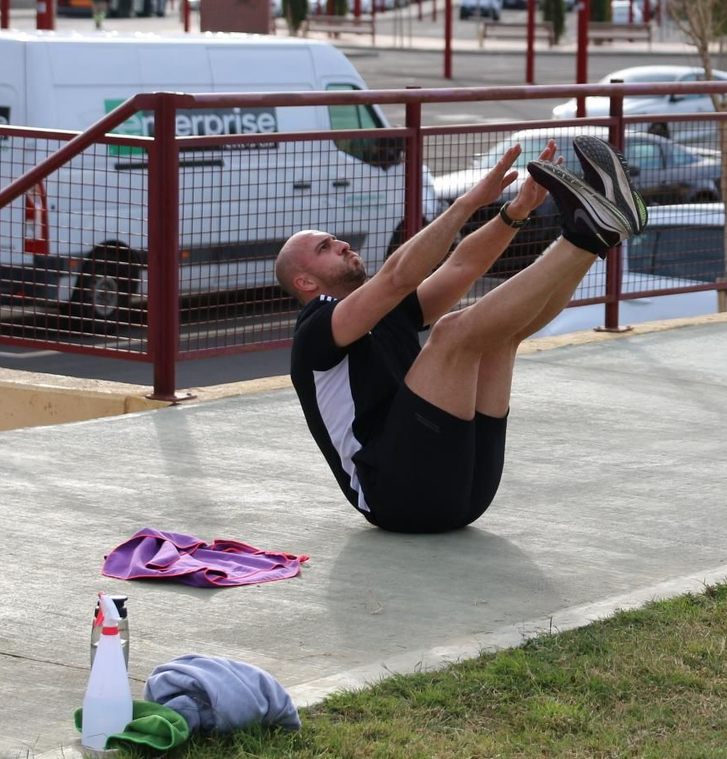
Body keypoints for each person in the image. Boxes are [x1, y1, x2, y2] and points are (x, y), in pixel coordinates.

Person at [277, 135, 647, 533]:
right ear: (305, 281)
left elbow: (460, 268)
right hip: (395, 497)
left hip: (464, 488)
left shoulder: (385, 311)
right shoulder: (315, 330)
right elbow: (398, 276)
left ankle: (593, 238)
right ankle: (585, 232)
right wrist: (468, 202)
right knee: (452, 332)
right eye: (325, 247)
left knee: (499, 337)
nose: (342, 243)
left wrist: (516, 210)